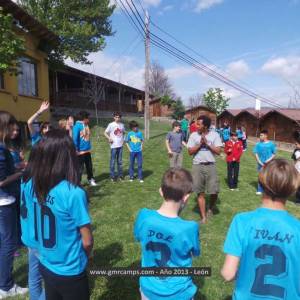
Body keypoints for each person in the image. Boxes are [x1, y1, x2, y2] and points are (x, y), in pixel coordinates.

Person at [21, 129, 93, 300]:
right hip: (70, 270)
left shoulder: (30, 183)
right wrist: (87, 256)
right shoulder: (73, 193)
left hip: (45, 262)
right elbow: (87, 241)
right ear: (67, 157)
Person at [221, 159, 300, 300]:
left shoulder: (242, 221)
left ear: (262, 183)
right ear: (292, 189)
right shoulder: (297, 228)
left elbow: (228, 274)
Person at [134, 168, 200, 300]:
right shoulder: (190, 228)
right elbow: (195, 253)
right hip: (179, 292)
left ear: (161, 191)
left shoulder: (144, 216)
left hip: (149, 289)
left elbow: (139, 236)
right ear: (186, 197)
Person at [0, 111, 28, 298]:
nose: (15, 128)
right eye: (11, 125)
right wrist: (20, 174)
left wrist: (17, 167)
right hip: (4, 202)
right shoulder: (1, 150)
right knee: (9, 244)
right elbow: (1, 181)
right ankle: (6, 286)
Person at [187, 115, 222, 223]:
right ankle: (203, 217)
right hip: (197, 165)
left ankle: (210, 208)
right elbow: (190, 152)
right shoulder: (193, 135)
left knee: (214, 191)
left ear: (206, 126)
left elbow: (218, 151)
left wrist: (207, 144)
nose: (196, 125)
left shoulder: (215, 135)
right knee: (200, 192)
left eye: (199, 124)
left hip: (211, 165)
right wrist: (200, 144)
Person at [73, 111, 97, 186]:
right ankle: (78, 182)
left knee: (89, 166)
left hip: (87, 151)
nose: (89, 119)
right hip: (80, 152)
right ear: (84, 118)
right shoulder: (77, 126)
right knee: (80, 168)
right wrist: (76, 149)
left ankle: (91, 179)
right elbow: (75, 139)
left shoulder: (86, 125)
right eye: (88, 118)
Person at [253, 129, 276, 195]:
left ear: (266, 136)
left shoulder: (271, 144)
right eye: (260, 135)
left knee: (269, 176)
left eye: (261, 135)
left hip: (269, 163)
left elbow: (274, 154)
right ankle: (259, 189)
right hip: (260, 163)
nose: (260, 136)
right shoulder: (258, 144)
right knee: (261, 176)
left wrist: (268, 160)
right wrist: (259, 161)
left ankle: (268, 189)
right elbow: (256, 153)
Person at [104, 112, 125, 182]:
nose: (117, 118)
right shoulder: (111, 124)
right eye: (116, 117)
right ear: (114, 117)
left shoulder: (122, 125)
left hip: (120, 146)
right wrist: (109, 138)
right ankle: (112, 176)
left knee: (120, 161)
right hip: (113, 146)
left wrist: (123, 139)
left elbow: (123, 132)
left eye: (119, 117)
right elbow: (105, 133)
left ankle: (120, 175)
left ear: (120, 118)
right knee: (112, 161)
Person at [292, 131, 300, 204]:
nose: (295, 145)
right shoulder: (296, 151)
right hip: (297, 170)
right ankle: (298, 200)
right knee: (298, 185)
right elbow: (294, 160)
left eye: (297, 144)